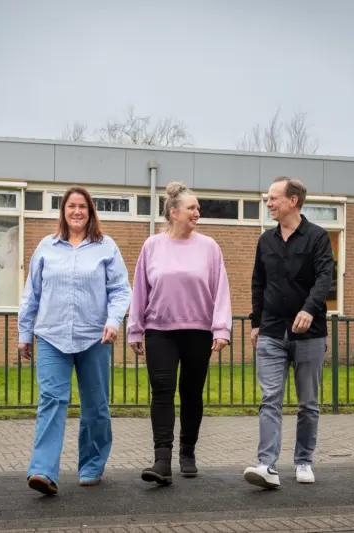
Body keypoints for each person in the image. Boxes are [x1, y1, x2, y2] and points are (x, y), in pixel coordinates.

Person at [18, 186, 132, 496]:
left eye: (82, 206)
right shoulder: (46, 247)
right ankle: (42, 470)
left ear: (91, 211)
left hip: (94, 338)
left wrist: (113, 321)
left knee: (96, 406)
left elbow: (121, 290)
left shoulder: (106, 247)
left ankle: (91, 465)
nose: (77, 211)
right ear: (63, 212)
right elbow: (32, 293)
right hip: (52, 337)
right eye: (71, 207)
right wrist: (23, 333)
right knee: (51, 402)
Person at [127, 181, 232, 485]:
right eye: (192, 208)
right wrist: (135, 329)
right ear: (173, 213)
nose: (197, 213)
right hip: (160, 331)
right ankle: (162, 461)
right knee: (161, 391)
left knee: (190, 393)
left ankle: (188, 451)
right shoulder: (152, 246)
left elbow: (220, 289)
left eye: (198, 208)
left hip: (198, 331)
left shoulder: (209, 247)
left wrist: (221, 328)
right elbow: (140, 290)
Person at [243, 177, 334, 489]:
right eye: (268, 199)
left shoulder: (317, 237)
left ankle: (304, 460)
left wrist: (309, 309)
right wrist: (256, 323)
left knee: (307, 403)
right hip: (271, 330)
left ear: (292, 201)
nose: (269, 203)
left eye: (273, 198)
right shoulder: (265, 241)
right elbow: (258, 283)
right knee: (270, 399)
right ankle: (267, 465)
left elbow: (325, 277)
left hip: (309, 334)